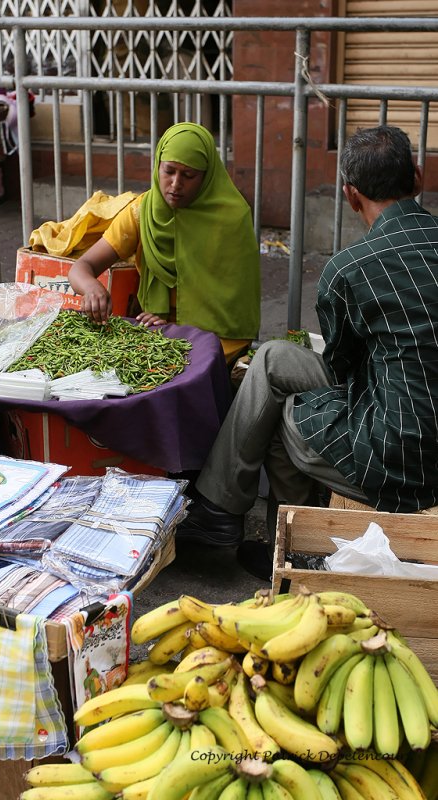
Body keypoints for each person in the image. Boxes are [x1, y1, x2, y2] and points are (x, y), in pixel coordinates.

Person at [176, 125, 438, 579]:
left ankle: (291, 547)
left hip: (404, 458)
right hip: (413, 415)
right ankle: (225, 511)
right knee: (273, 359)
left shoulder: (349, 270)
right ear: (418, 178)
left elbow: (341, 372)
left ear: (350, 196)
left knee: (286, 411)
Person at [68, 122, 261, 364]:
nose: (176, 184)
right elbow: (81, 267)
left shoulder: (231, 217)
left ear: (208, 176)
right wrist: (92, 288)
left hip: (221, 337)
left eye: (189, 175)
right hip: (159, 328)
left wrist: (178, 329)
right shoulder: (142, 212)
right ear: (157, 166)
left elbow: (234, 303)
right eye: (169, 171)